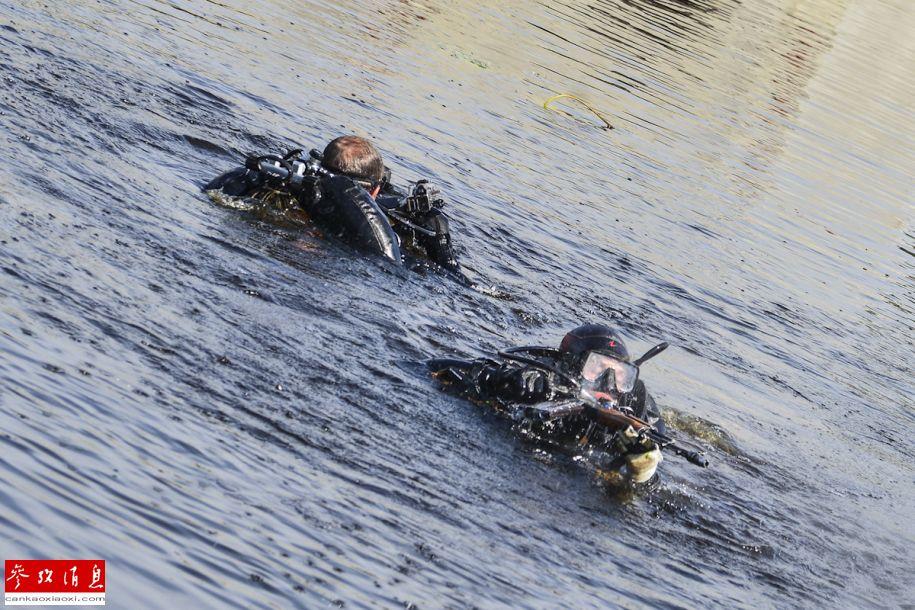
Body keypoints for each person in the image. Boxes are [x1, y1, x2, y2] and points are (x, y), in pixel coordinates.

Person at [429, 323, 666, 483]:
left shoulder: (638, 409)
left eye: (621, 375)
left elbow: (648, 489)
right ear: (570, 365)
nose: (609, 384)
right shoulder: (539, 381)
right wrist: (508, 382)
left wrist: (641, 469)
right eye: (597, 368)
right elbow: (438, 367)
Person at [205, 136, 464, 278]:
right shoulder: (365, 227)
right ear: (374, 190)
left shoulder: (285, 192)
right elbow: (393, 268)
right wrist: (441, 245)